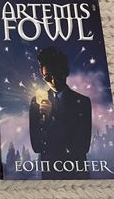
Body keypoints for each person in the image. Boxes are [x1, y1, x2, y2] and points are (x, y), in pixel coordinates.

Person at [29, 46, 92, 179]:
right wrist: (47, 121)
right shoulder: (36, 102)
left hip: (77, 174)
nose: (53, 81)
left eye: (57, 74)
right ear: (41, 73)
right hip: (50, 174)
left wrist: (51, 119)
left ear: (66, 71)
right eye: (47, 77)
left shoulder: (83, 102)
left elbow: (83, 146)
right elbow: (37, 146)